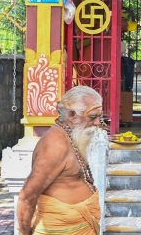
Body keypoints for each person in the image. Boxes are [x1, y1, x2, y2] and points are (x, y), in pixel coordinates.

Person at [17, 86, 104, 235]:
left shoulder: (71, 135)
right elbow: (27, 196)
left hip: (79, 226)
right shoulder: (55, 145)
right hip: (59, 229)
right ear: (71, 115)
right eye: (92, 117)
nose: (97, 123)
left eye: (99, 117)